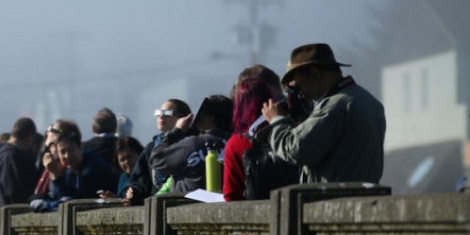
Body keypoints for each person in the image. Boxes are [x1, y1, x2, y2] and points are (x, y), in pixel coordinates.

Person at [262, 43, 386, 184]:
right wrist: (306, 121)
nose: (300, 93)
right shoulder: (368, 101)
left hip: (336, 202)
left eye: (298, 86)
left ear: (315, 73)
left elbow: (297, 150)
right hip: (362, 198)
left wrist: (276, 121)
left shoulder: (335, 106)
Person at [225, 79, 299, 201]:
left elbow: (231, 195)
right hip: (295, 205)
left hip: (256, 214)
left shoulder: (235, 143)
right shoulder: (286, 127)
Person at [149, 95, 233, 195]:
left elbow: (157, 158)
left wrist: (177, 131)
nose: (196, 117)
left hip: (189, 206)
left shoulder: (194, 144)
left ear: (210, 119)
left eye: (201, 113)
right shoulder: (236, 143)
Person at [126, 99, 191, 205]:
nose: (161, 117)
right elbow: (141, 180)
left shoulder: (191, 145)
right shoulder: (151, 148)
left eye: (167, 113)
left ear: (183, 118)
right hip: (156, 206)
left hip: (184, 203)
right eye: (159, 113)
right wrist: (133, 191)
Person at [46, 121, 119, 200]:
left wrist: (55, 175)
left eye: (71, 150)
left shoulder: (92, 168)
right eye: (63, 152)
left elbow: (72, 201)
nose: (67, 156)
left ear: (81, 148)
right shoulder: (71, 169)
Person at [0, 118, 40, 206]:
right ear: (30, 137)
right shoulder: (10, 156)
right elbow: (12, 191)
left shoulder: (5, 155)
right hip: (16, 214)